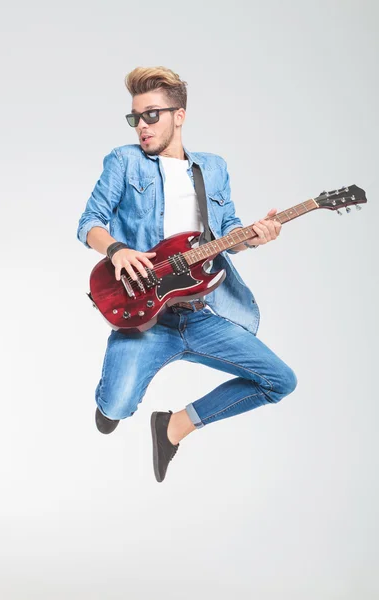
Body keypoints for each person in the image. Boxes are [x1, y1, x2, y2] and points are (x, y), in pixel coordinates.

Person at [77, 66, 297, 483]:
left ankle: (174, 426)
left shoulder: (212, 168)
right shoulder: (125, 161)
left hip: (201, 313)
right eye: (136, 117)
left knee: (280, 381)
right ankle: (112, 403)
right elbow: (89, 221)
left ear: (179, 115)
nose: (142, 126)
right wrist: (118, 249)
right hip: (144, 316)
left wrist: (254, 237)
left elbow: (228, 233)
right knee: (116, 408)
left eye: (152, 115)